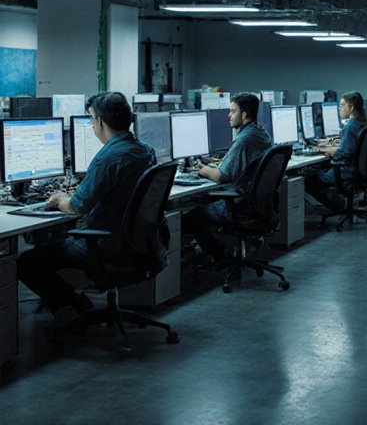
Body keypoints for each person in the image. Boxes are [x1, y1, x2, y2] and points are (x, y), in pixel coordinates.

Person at [17, 92, 156, 328]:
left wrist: (60, 199)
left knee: (28, 262)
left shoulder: (107, 158)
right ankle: (76, 305)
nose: (91, 125)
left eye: (92, 119)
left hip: (107, 246)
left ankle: (75, 305)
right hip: (139, 245)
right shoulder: (146, 152)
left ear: (101, 121)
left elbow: (77, 206)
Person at [181, 92, 272, 264]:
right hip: (256, 203)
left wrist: (203, 169)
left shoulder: (243, 140)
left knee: (190, 218)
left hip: (240, 205)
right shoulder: (261, 133)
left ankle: (219, 255)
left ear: (243, 114)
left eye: (232, 111)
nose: (229, 115)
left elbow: (222, 176)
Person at [306, 92, 367, 211]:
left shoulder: (351, 125)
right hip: (358, 170)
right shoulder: (362, 123)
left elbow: (344, 152)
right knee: (320, 169)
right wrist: (330, 149)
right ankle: (334, 203)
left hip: (347, 171)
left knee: (308, 179)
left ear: (350, 107)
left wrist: (323, 150)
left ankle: (333, 206)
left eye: (341, 105)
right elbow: (349, 149)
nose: (339, 108)